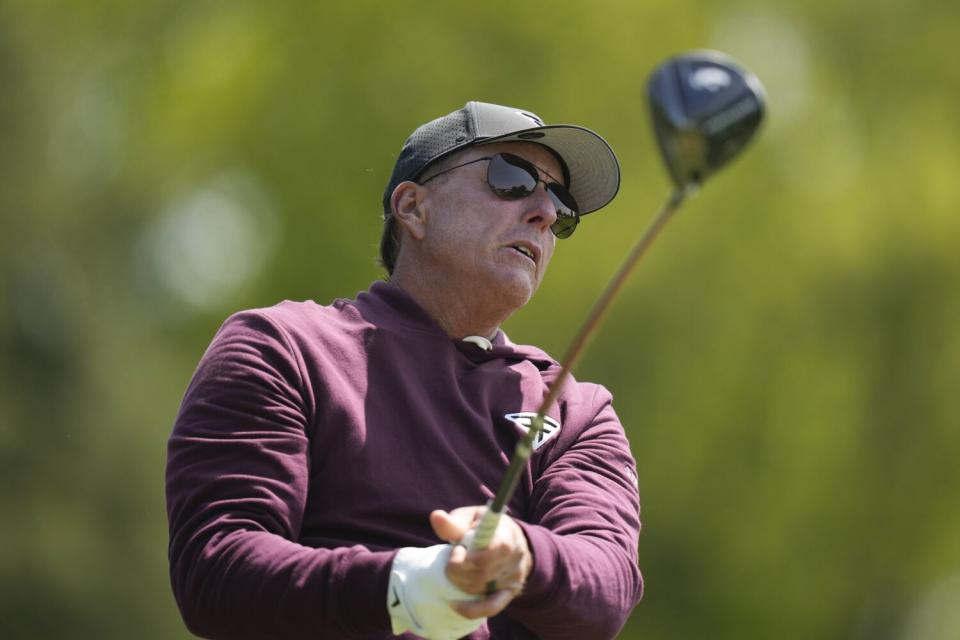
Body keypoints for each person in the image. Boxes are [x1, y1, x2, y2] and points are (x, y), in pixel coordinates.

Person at [166, 101, 643, 639]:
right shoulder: (282, 347)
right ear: (414, 208)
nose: (546, 213)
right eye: (512, 178)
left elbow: (606, 586)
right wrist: (402, 587)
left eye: (562, 203)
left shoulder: (577, 411)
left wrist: (524, 556)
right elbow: (217, 570)